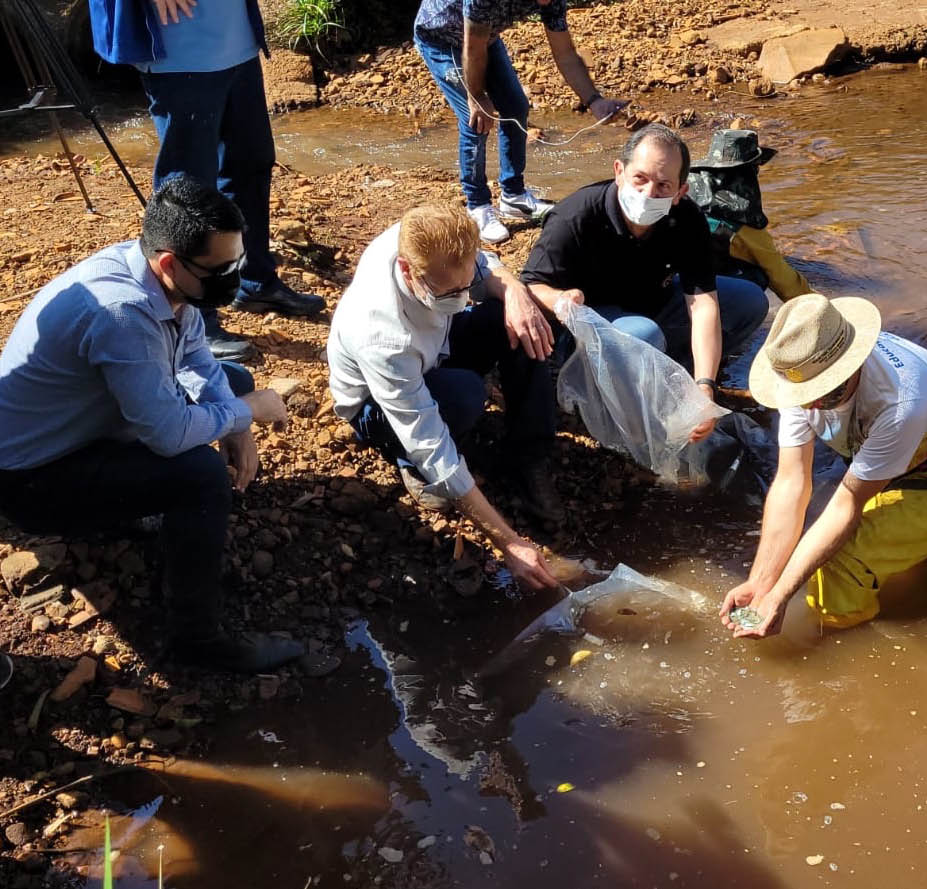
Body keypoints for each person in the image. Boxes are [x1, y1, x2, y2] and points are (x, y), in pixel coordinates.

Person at [0, 176, 301, 672]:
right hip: (34, 478)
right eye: (221, 269)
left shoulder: (153, 268)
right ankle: (196, 642)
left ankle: (135, 511)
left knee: (233, 377)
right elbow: (166, 435)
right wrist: (246, 411)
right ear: (168, 262)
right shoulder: (124, 313)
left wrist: (235, 423)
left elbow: (197, 357)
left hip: (82, 430)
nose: (233, 277)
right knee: (200, 478)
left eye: (238, 263)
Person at [719, 293, 927, 637]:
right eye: (803, 395)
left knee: (839, 559)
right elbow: (791, 482)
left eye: (822, 393)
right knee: (841, 538)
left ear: (852, 364)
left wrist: (781, 595)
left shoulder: (900, 400)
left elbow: (846, 505)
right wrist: (761, 583)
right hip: (905, 461)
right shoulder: (800, 370)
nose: (809, 405)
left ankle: (840, 635)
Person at [326, 204, 562, 591]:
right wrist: (509, 542)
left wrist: (515, 292)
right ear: (407, 271)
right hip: (376, 402)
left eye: (465, 287)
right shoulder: (383, 335)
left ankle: (530, 457)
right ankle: (407, 465)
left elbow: (487, 267)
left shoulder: (428, 235)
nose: (464, 297)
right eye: (451, 291)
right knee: (464, 396)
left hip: (438, 345)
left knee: (522, 319)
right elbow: (431, 444)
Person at [88, 0, 326, 361]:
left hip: (236, 41)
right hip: (179, 49)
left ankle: (252, 279)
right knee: (190, 191)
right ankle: (193, 317)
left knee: (251, 163)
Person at [522, 124, 770, 443]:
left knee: (750, 300)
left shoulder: (687, 220)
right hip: (594, 323)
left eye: (664, 185)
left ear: (680, 192)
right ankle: (624, 400)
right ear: (619, 172)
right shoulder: (575, 217)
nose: (648, 193)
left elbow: (704, 303)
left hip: (656, 302)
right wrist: (560, 299)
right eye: (640, 178)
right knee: (643, 335)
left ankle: (676, 375)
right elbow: (530, 284)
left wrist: (704, 384)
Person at [413, 0, 626, 244]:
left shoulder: (553, 2)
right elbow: (473, 50)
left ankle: (513, 195)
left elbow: (565, 54)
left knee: (515, 107)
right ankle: (478, 206)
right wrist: (477, 96)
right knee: (476, 118)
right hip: (440, 37)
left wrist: (594, 100)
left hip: (483, 36)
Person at [687, 129, 813, 302]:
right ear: (750, 170)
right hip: (690, 292)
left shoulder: (682, 187)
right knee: (758, 276)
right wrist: (816, 304)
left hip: (665, 274)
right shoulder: (741, 221)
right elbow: (783, 278)